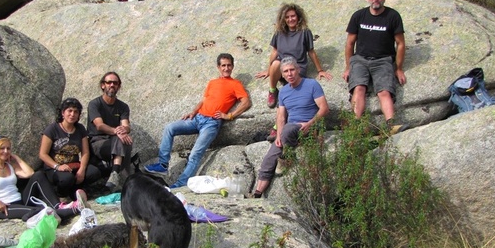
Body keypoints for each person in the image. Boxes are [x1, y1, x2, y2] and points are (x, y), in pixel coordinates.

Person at [144, 53, 251, 189]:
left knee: (195, 153)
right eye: (223, 65)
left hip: (211, 123)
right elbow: (204, 100)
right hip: (198, 118)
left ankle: (181, 184)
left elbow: (246, 102)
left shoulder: (235, 84)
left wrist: (229, 116)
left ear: (233, 66)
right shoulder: (212, 83)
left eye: (229, 65)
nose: (226, 68)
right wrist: (193, 112)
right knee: (170, 128)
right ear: (218, 67)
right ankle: (163, 165)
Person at [249, 57, 329, 198]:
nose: (289, 74)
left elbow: (324, 109)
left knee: (287, 130)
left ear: (298, 70)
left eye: (292, 69)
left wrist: (310, 123)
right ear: (282, 74)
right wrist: (278, 136)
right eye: (286, 71)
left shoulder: (312, 84)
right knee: (270, 156)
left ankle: (287, 159)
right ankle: (257, 193)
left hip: (309, 127)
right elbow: (281, 117)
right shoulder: (284, 91)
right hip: (290, 131)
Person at [255, 3, 331, 141]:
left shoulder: (305, 32)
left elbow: (311, 52)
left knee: (290, 93)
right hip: (282, 66)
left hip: (297, 67)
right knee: (276, 63)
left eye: (293, 16)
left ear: (298, 17)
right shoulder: (279, 33)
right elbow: (275, 52)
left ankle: (277, 128)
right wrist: (269, 70)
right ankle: (273, 90)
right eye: (287, 17)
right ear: (283, 19)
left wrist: (320, 70)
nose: (291, 19)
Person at [0, 136, 87, 220]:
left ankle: (58, 206)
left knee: (39, 175)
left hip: (20, 200)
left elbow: (30, 173)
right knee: (38, 211)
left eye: (8, 148)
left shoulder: (10, 165)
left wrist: (17, 158)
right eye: (2, 148)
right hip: (5, 207)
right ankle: (75, 209)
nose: (5, 151)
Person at [343, 0, 407, 134]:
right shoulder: (359, 16)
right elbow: (350, 43)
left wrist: (398, 68)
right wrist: (348, 67)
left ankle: (391, 126)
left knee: (384, 91)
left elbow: (400, 44)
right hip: (360, 59)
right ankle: (356, 125)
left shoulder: (393, 16)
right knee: (359, 88)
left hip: (383, 60)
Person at [39, 97, 102, 199]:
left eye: (76, 112)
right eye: (69, 111)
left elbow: (85, 152)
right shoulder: (52, 129)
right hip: (55, 168)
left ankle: (75, 191)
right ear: (63, 113)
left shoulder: (80, 129)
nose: (72, 114)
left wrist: (82, 169)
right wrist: (57, 167)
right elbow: (42, 154)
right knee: (67, 178)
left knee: (94, 172)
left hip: (74, 165)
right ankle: (61, 194)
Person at [87, 71, 133, 191]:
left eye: (115, 83)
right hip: (98, 142)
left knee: (126, 141)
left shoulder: (123, 107)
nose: (112, 85)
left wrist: (124, 130)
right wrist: (117, 131)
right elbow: (99, 126)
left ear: (119, 86)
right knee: (122, 139)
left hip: (115, 141)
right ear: (103, 85)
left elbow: (126, 126)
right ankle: (126, 180)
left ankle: (115, 175)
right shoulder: (94, 104)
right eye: (109, 82)